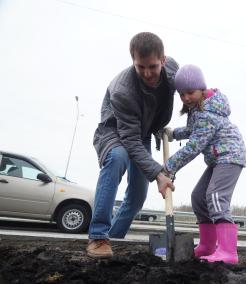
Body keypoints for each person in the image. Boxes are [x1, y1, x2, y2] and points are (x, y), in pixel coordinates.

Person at [87, 32, 178, 259]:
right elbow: (129, 140)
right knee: (117, 158)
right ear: (133, 62)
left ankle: (115, 239)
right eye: (140, 67)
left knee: (138, 194)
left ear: (163, 61)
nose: (147, 73)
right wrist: (158, 174)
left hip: (143, 132)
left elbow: (191, 88)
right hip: (115, 131)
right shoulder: (123, 90)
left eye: (153, 66)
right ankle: (98, 237)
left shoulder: (174, 70)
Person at [162, 64, 246, 264]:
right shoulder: (198, 108)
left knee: (216, 196)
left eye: (190, 92)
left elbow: (194, 146)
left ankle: (227, 252)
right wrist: (173, 134)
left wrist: (169, 167)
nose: (186, 98)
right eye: (181, 95)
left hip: (230, 156)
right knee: (199, 198)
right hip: (218, 159)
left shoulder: (208, 113)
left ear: (201, 89)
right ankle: (208, 246)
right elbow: (193, 130)